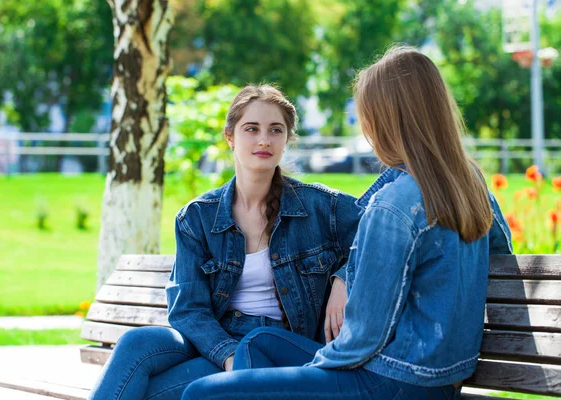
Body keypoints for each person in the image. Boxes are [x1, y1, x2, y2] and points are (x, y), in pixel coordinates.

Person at [182, 46, 513, 400]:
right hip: (441, 378)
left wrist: (308, 374)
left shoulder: (394, 205)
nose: (366, 129)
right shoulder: (469, 182)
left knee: (202, 394)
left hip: (390, 380)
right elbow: (501, 255)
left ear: (386, 120)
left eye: (365, 116)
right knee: (261, 343)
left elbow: (362, 338)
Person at [88, 84, 362, 400]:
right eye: (251, 129)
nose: (264, 140)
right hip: (216, 339)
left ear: (286, 139)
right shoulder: (197, 218)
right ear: (230, 137)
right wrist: (227, 354)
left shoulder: (319, 206)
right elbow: (188, 310)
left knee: (150, 393)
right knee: (136, 343)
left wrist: (343, 279)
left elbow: (380, 231)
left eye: (276, 130)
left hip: (273, 346)